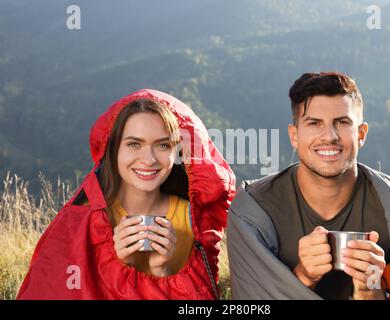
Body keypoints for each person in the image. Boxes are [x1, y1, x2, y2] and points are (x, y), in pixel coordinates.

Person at [227, 72, 390, 300]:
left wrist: (371, 289)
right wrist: (304, 276)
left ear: (361, 134)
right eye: (314, 123)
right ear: (294, 136)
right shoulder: (254, 210)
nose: (329, 136)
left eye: (342, 122)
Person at [17, 89, 235, 299]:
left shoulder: (192, 221)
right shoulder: (80, 224)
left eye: (162, 145)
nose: (148, 159)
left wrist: (161, 270)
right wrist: (115, 268)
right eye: (134, 144)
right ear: (113, 149)